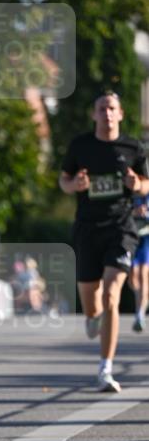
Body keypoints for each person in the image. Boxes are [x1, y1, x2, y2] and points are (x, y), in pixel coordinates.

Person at [60, 90, 149, 392]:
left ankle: (105, 369)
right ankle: (91, 316)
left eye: (112, 108)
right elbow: (64, 180)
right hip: (87, 229)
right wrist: (75, 184)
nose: (107, 114)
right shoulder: (80, 146)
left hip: (121, 229)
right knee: (91, 301)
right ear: (94, 114)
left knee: (111, 294)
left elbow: (146, 183)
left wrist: (137, 184)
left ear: (120, 114)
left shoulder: (133, 147)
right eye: (102, 109)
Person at [130, 194, 149, 331]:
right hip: (131, 236)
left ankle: (140, 314)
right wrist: (134, 212)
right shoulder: (131, 191)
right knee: (132, 277)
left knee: (143, 274)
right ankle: (142, 297)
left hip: (147, 238)